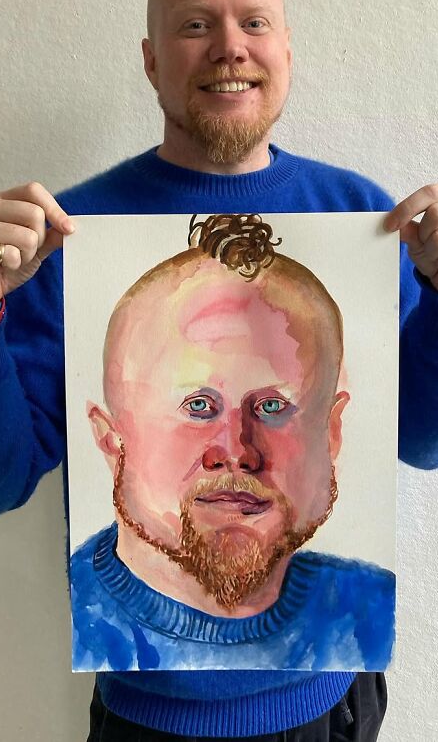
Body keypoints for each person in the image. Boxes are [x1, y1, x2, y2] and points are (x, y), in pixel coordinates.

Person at [0, 0, 438, 742]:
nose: (230, 45)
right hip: (146, 722)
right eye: (197, 24)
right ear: (152, 61)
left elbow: (427, 439)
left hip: (331, 709)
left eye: (253, 22)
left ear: (287, 52)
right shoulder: (69, 240)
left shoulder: (361, 216)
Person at [72, 212, 395, 673]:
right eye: (199, 407)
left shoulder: (375, 615)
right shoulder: (76, 625)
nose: (239, 451)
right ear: (111, 440)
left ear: (331, 432)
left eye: (271, 408)